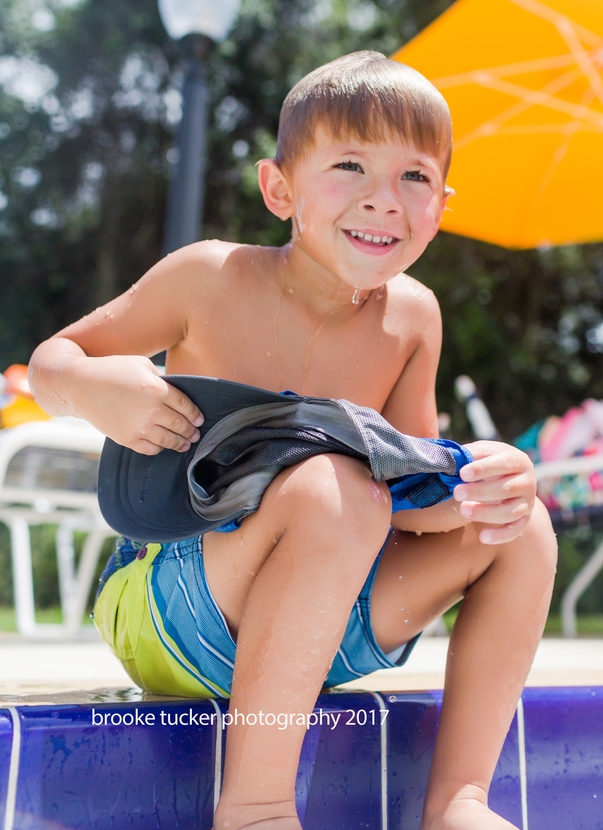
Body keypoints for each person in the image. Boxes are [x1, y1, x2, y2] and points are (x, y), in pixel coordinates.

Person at [29, 51, 557, 830]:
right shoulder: (208, 279)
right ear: (280, 189)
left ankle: (458, 802)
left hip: (320, 630)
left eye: (413, 179)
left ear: (440, 207)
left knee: (522, 529)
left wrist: (482, 487)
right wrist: (94, 387)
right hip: (173, 608)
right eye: (350, 166)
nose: (384, 200)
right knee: (333, 487)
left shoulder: (412, 319)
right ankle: (255, 809)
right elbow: (51, 361)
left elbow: (413, 504)